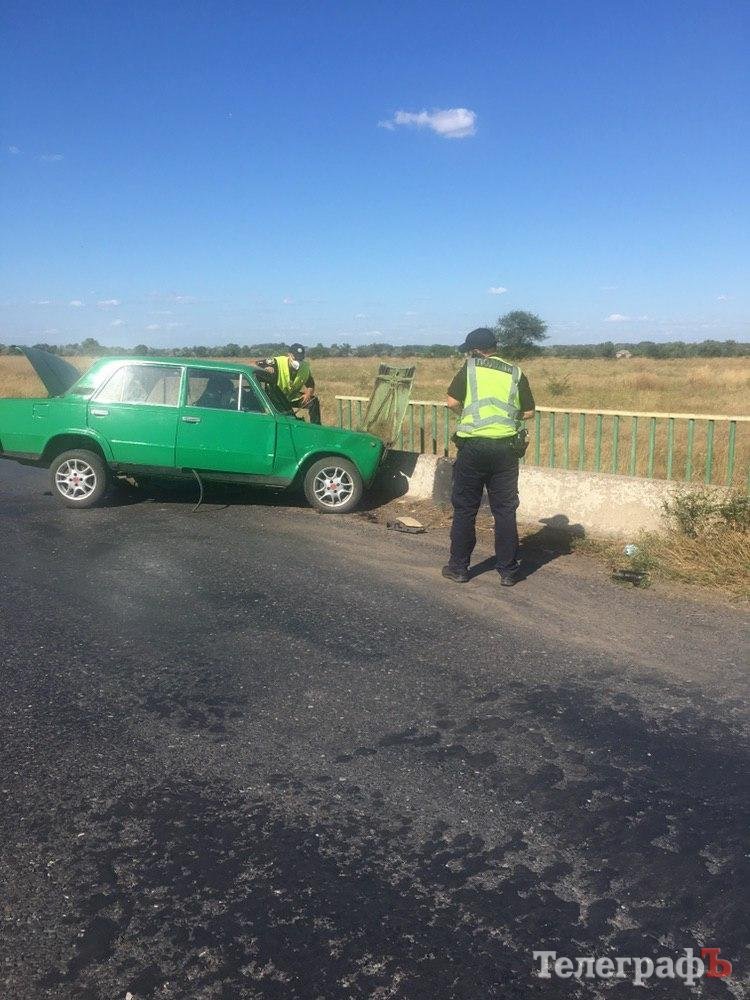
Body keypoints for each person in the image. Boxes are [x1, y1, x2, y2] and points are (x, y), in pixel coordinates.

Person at [442, 328, 535, 586]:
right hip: (506, 449)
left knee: (465, 509)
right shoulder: (515, 372)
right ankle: (508, 571)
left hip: (473, 447)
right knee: (505, 510)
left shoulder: (470, 368)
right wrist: (507, 418)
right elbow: (529, 412)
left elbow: (452, 402)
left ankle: (458, 568)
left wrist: (466, 416)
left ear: (475, 351)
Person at [256, 343, 321, 424]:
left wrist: (308, 394)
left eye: (300, 358)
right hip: (275, 397)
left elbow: (310, 384)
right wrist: (266, 368)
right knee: (287, 417)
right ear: (289, 355)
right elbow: (256, 364)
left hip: (292, 396)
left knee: (313, 401)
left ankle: (316, 426)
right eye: (295, 357)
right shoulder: (277, 362)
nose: (298, 361)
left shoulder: (305, 368)